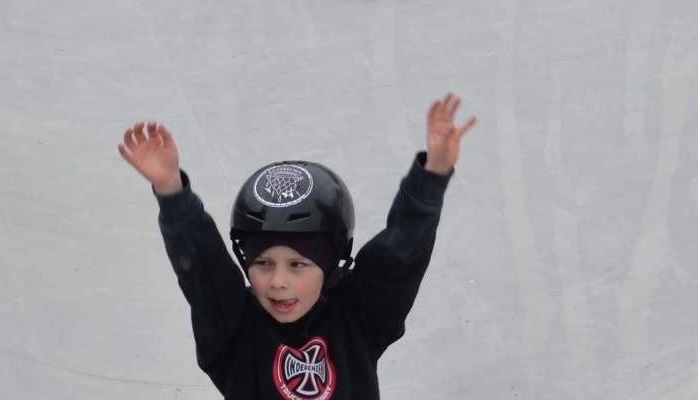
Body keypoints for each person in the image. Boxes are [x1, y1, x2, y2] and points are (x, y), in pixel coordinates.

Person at [119, 95, 477, 400]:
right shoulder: (232, 326)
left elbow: (399, 254)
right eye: (263, 263)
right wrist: (171, 192)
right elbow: (204, 268)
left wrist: (432, 176)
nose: (278, 281)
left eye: (298, 265)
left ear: (333, 263)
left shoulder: (359, 315)